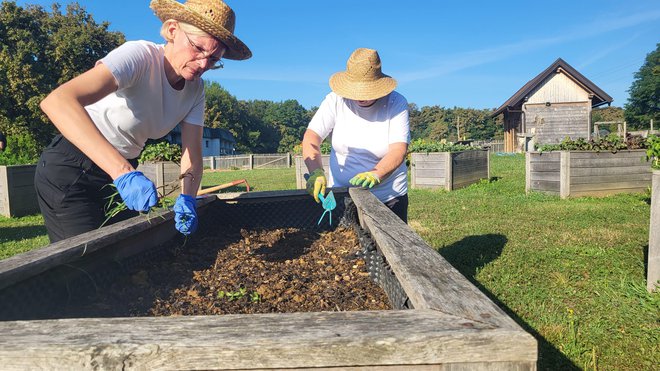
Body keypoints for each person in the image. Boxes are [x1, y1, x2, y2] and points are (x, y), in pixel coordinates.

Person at [34, 0, 251, 243]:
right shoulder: (139, 57)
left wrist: (188, 197)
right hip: (73, 168)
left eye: (213, 59)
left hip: (118, 175)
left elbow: (192, 153)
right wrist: (124, 173)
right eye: (198, 48)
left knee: (124, 257)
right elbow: (57, 101)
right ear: (172, 30)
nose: (203, 64)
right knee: (85, 267)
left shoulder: (195, 90)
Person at [302, 48, 410, 222]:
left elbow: (398, 150)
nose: (361, 97)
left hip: (387, 196)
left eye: (367, 91)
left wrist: (377, 173)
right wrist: (316, 171)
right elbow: (311, 138)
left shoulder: (395, 102)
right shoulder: (335, 100)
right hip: (343, 195)